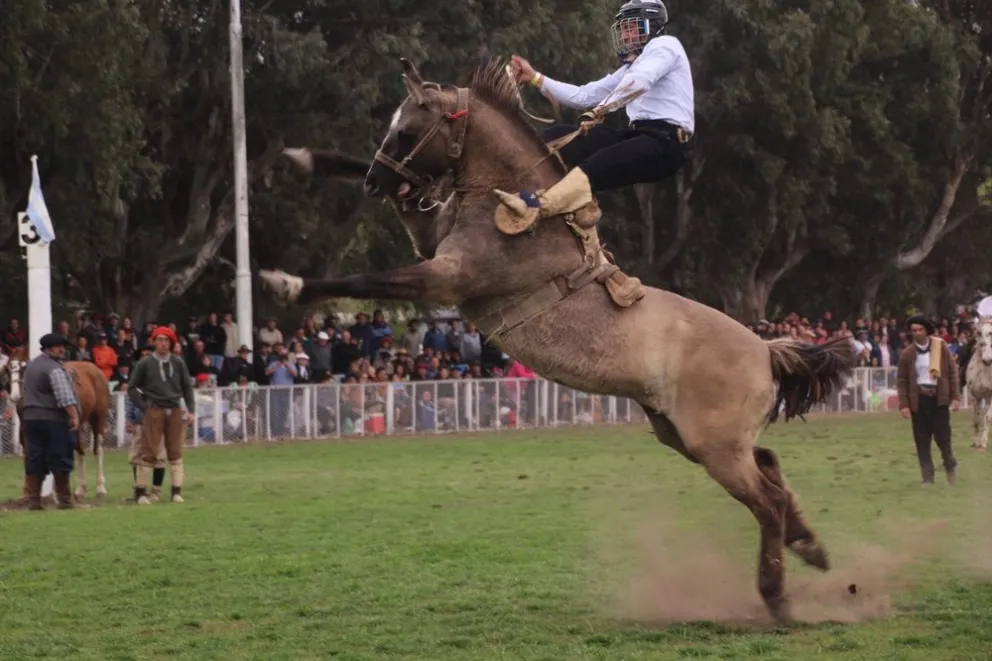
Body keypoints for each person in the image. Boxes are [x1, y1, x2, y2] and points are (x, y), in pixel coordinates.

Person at [505, 0, 693, 223]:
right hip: (639, 134)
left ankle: (538, 209)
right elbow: (583, 95)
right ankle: (529, 191)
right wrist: (535, 78)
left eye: (633, 28)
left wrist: (598, 111)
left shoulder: (665, 45)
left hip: (666, 142)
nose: (625, 36)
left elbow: (640, 82)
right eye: (624, 30)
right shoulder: (632, 67)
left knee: (597, 163)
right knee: (555, 136)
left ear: (653, 26)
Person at [127, 326, 196, 505]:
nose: (162, 344)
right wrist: (144, 407)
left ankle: (176, 492)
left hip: (175, 409)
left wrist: (191, 410)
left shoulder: (178, 362)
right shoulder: (145, 363)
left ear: (171, 343)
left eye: (166, 340)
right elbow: (132, 387)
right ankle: (141, 493)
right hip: (154, 409)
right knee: (148, 451)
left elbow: (187, 387)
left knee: (175, 452)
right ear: (154, 342)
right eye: (159, 340)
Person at [897, 315, 960, 485]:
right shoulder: (907, 354)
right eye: (913, 330)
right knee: (922, 441)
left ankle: (950, 467)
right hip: (919, 400)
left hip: (938, 400)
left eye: (920, 330)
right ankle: (927, 478)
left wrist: (955, 397)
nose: (916, 333)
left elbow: (952, 373)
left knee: (943, 439)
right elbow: (901, 381)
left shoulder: (941, 347)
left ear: (926, 331)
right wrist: (904, 404)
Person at [21, 333, 80, 510]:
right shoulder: (54, 369)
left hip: (31, 417)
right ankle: (65, 500)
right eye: (58, 346)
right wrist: (74, 415)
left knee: (36, 457)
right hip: (53, 418)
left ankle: (34, 500)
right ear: (49, 348)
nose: (62, 350)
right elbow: (64, 397)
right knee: (60, 457)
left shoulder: (32, 366)